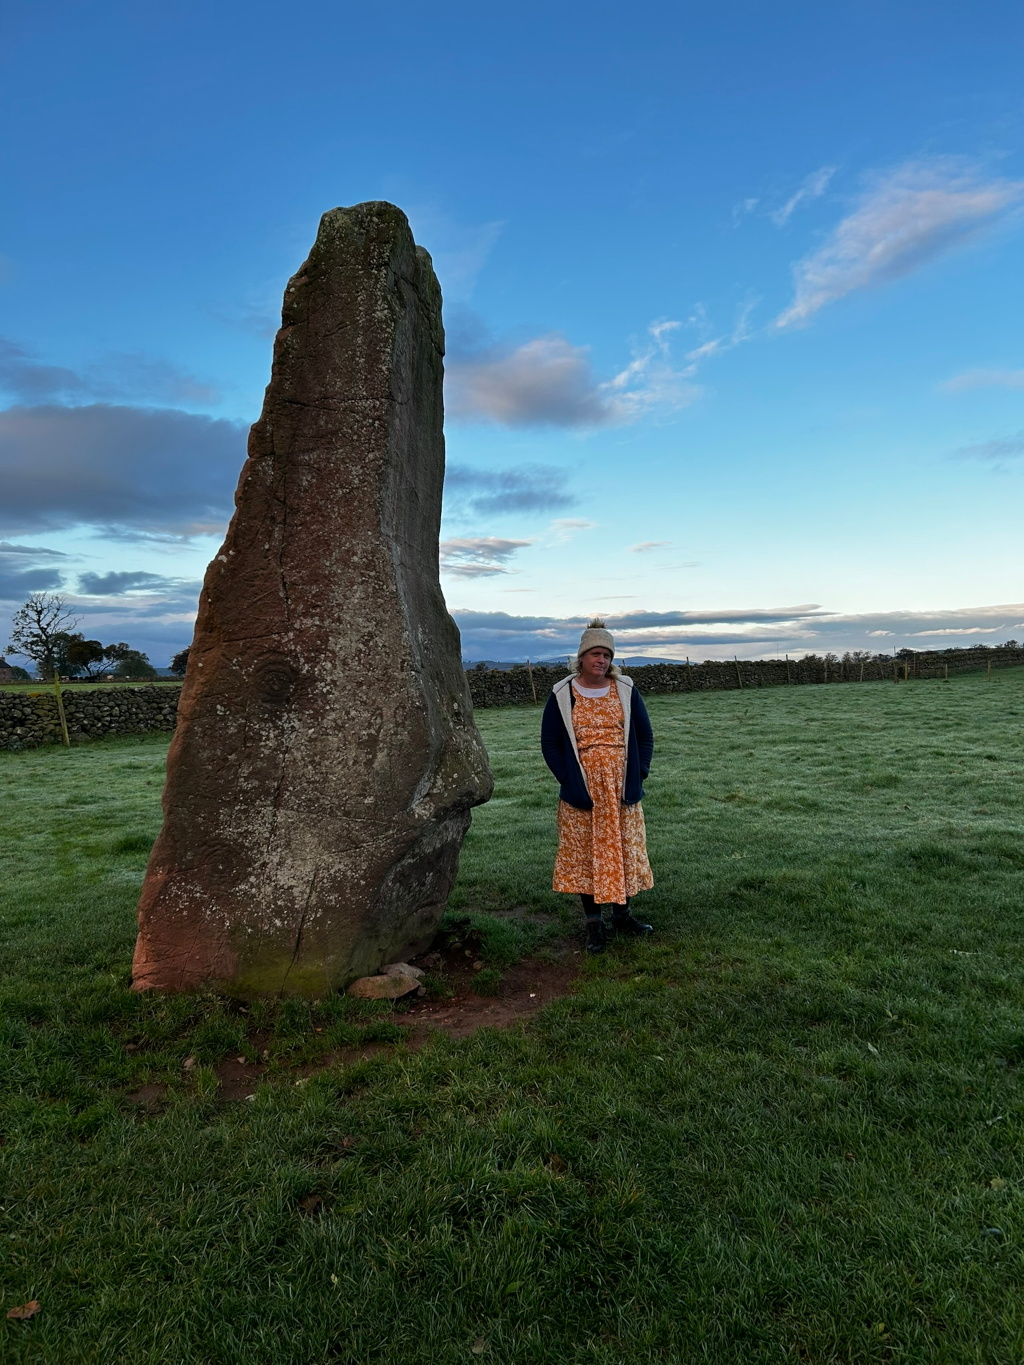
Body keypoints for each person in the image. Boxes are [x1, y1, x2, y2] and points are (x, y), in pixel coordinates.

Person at [541, 620, 655, 953]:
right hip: (583, 787)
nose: (601, 660)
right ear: (581, 657)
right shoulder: (563, 694)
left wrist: (640, 772)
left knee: (623, 849)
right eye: (595, 653)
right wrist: (568, 779)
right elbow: (550, 742)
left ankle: (623, 915)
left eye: (606, 654)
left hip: (621, 787)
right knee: (587, 854)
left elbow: (644, 736)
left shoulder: (626, 690)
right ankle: (594, 924)